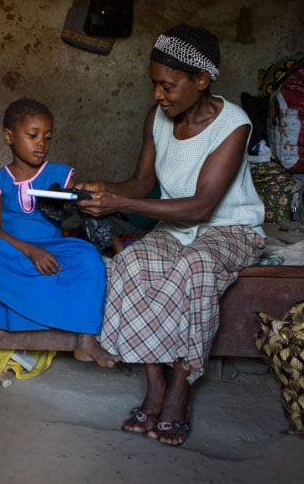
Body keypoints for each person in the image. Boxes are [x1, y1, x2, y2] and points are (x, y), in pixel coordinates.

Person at [76, 24, 266, 445]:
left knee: (195, 265)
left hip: (231, 228)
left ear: (201, 80)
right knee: (132, 261)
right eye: (154, 85)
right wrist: (103, 190)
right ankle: (155, 386)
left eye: (168, 85)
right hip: (175, 226)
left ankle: (180, 388)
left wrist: (120, 205)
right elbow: (142, 184)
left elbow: (201, 206)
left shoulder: (233, 125)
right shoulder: (157, 118)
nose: (158, 95)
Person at [0, 98, 117, 368]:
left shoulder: (60, 174)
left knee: (87, 256)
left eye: (48, 137)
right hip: (11, 249)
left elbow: (83, 211)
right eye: (32, 136)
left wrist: (81, 200)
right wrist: (30, 251)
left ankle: (86, 340)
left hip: (52, 247)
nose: (41, 143)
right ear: (8, 136)